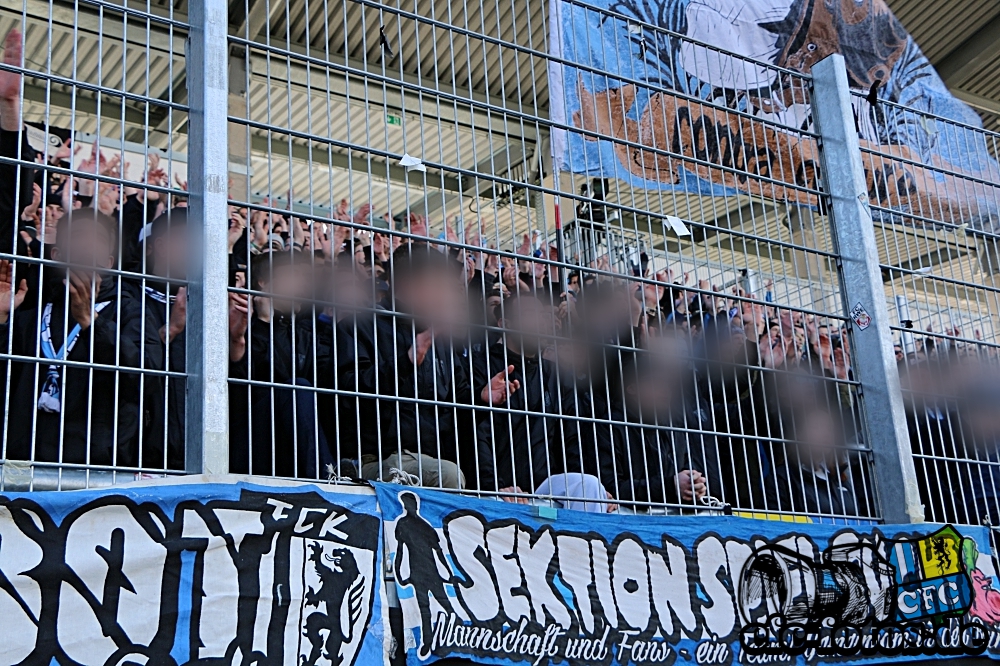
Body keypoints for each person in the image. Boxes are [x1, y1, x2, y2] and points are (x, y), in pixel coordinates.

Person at [337, 242, 515, 488]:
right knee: (447, 475)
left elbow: (458, 406)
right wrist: (406, 363)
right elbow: (349, 395)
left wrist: (482, 398)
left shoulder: (440, 337)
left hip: (436, 459)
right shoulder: (360, 326)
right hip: (377, 460)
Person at [0, 208, 161, 464]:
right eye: (77, 236)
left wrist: (90, 322)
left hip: (97, 465)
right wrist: (1, 319)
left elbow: (146, 378)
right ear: (57, 254)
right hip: (26, 462)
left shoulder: (131, 310)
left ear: (108, 262)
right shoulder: (34, 312)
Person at [473, 292, 615, 511]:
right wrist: (494, 486)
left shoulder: (554, 373)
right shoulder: (481, 365)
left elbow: (572, 438)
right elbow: (478, 432)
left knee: (589, 487)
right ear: (505, 324)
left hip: (545, 486)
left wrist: (595, 490)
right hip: (504, 487)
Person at [239, 249, 332, 478]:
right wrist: (264, 323)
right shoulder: (242, 324)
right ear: (265, 283)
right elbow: (263, 377)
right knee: (297, 388)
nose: (301, 287)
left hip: (292, 444)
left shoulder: (306, 334)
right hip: (253, 441)